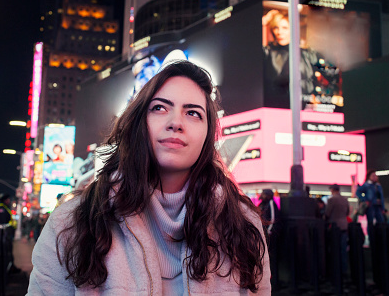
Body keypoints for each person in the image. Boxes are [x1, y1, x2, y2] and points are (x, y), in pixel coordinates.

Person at [27, 61, 271, 295]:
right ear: (138, 123)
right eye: (159, 108)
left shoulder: (242, 225)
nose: (175, 122)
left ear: (208, 135)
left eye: (193, 113)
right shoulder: (71, 223)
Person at [262, 9, 341, 110]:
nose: (279, 32)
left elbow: (333, 74)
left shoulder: (308, 54)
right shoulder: (267, 52)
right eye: (276, 27)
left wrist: (323, 97)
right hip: (275, 108)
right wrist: (263, 21)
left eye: (285, 28)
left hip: (304, 109)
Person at [0, 193, 20, 273]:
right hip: (3, 236)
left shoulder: (3, 208)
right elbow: (2, 224)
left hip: (4, 235)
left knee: (7, 252)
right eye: (8, 199)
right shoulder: (2, 209)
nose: (9, 201)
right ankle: (8, 269)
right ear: (4, 200)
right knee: (6, 252)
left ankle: (10, 267)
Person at [325, 184, 350, 275]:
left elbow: (327, 213)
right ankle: (344, 271)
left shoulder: (331, 200)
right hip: (344, 226)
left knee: (334, 249)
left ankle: (335, 271)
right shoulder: (345, 199)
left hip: (334, 227)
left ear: (332, 190)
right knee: (343, 250)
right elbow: (347, 212)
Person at [258, 189, 280, 289]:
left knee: (272, 257)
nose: (261, 195)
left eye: (263, 193)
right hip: (264, 234)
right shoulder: (263, 204)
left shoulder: (271, 203)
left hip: (270, 235)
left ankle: (274, 281)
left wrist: (269, 231)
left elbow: (273, 218)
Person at [356, 170, 385, 240]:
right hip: (371, 206)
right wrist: (365, 200)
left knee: (381, 222)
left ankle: (380, 237)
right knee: (370, 223)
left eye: (375, 176)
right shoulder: (366, 185)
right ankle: (371, 238)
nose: (375, 177)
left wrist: (383, 208)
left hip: (378, 206)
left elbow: (381, 197)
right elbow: (358, 192)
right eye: (373, 176)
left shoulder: (378, 186)